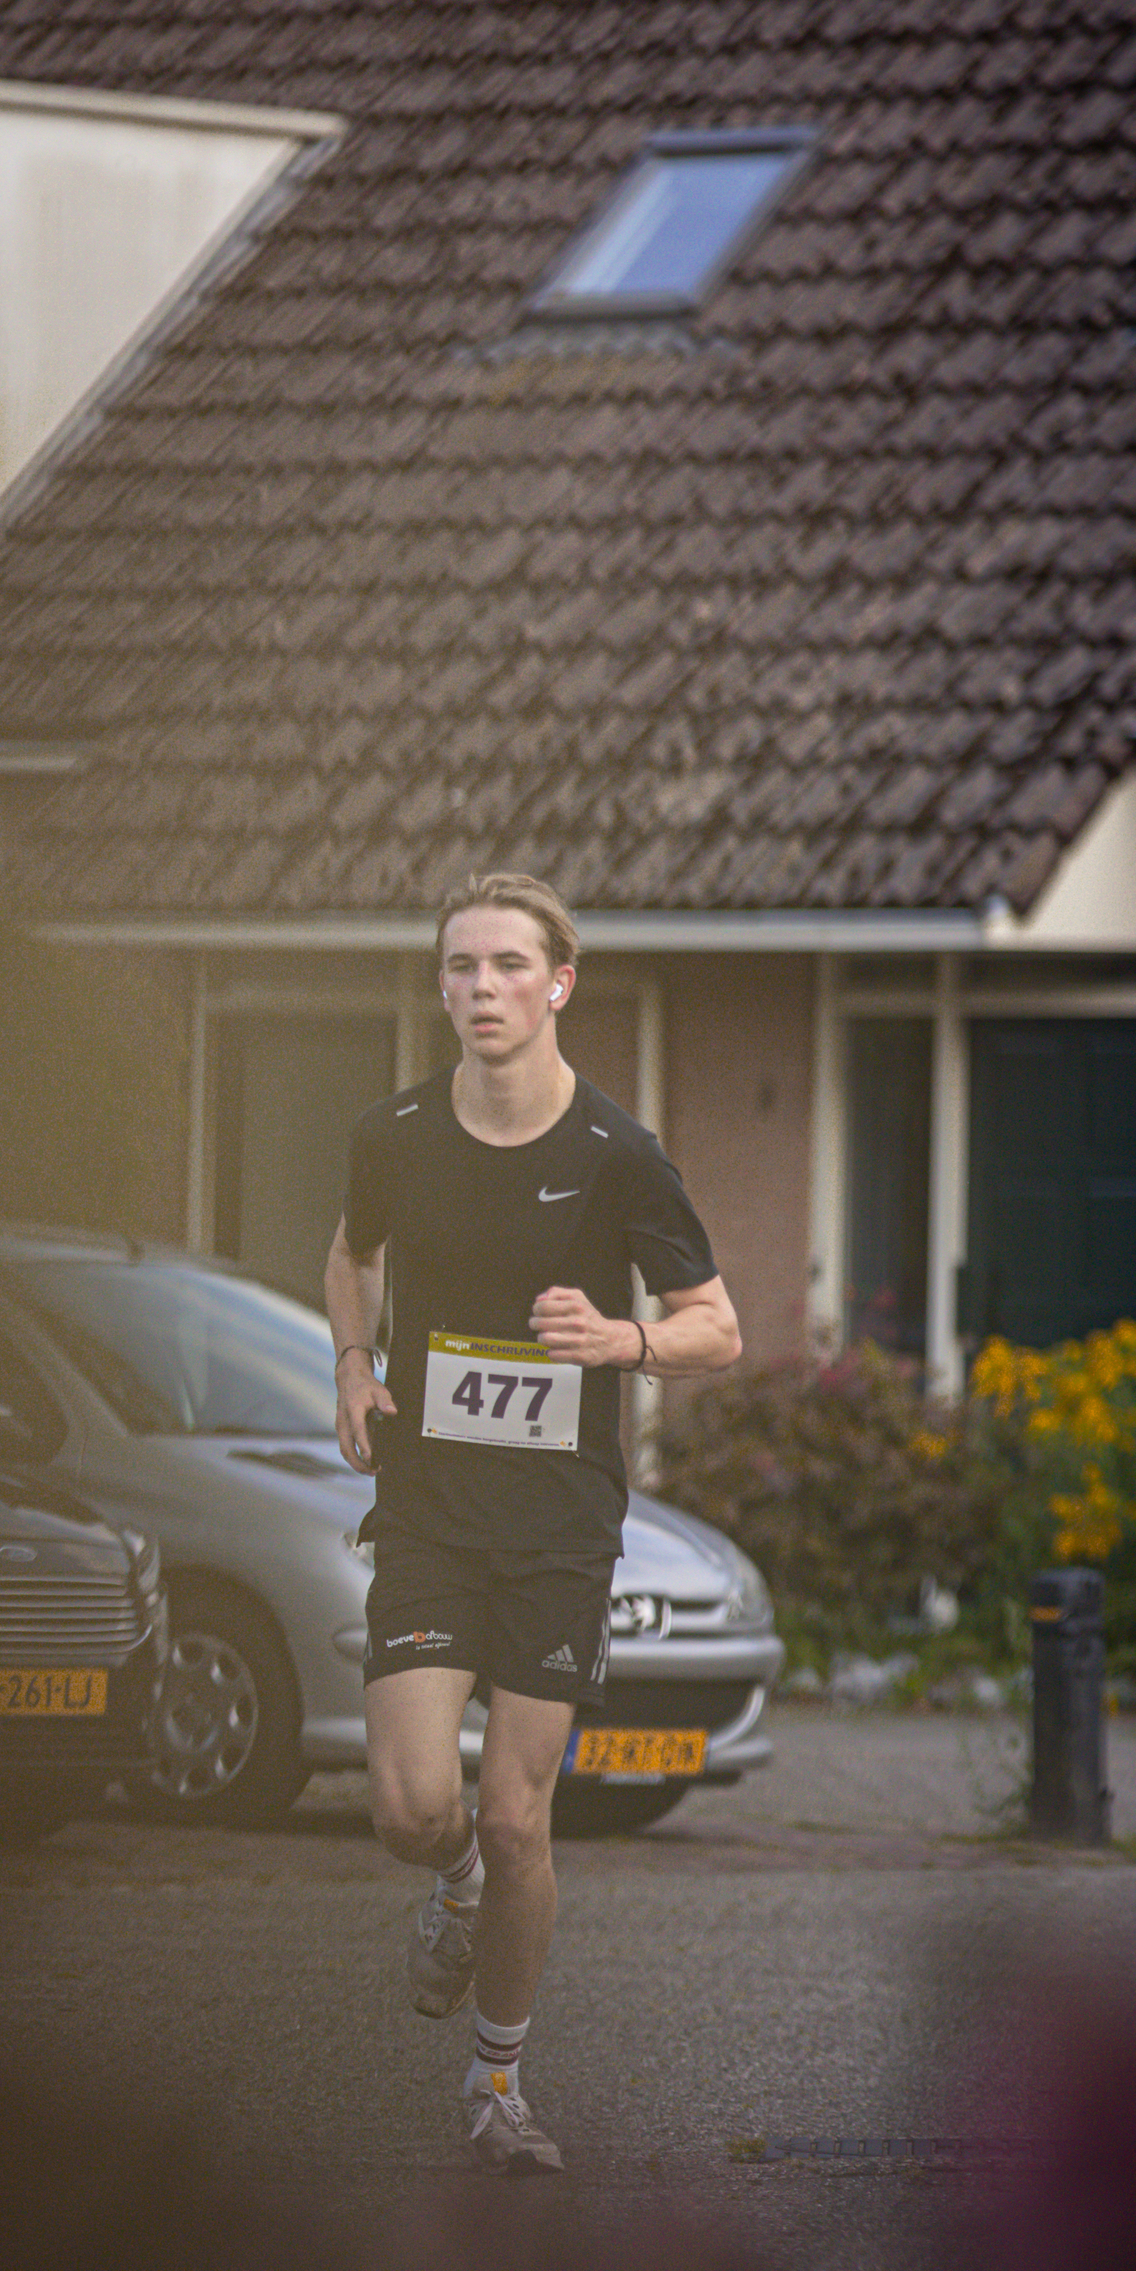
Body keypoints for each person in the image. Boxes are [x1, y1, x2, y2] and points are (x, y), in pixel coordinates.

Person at [323, 872, 742, 2174]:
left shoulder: (618, 1155)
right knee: (409, 1807)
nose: (483, 989)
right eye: (461, 967)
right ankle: (447, 1886)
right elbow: (352, 1252)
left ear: (559, 983)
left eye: (509, 965)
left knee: (517, 1819)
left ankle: (497, 2082)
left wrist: (624, 1339)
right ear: (441, 985)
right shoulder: (393, 1133)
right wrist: (351, 1365)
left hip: (560, 1523)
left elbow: (720, 1326)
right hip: (433, 1509)